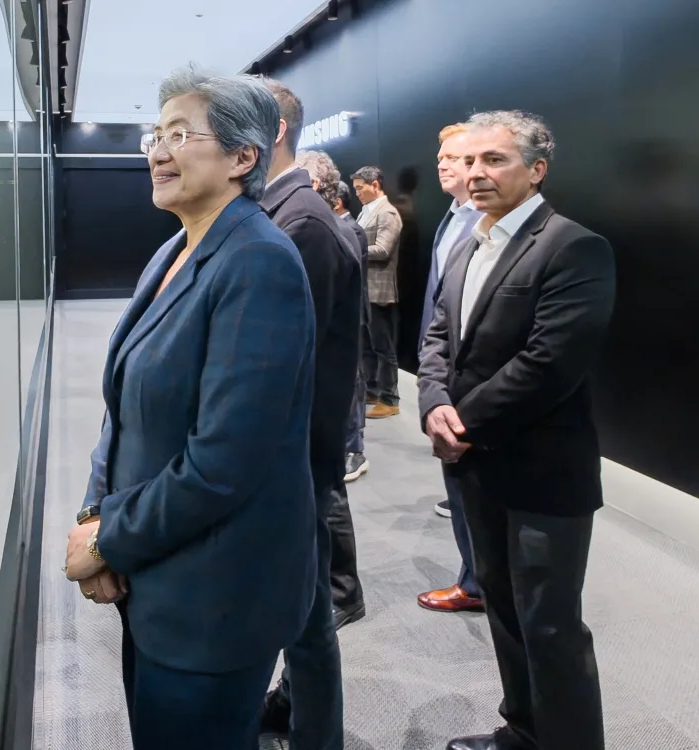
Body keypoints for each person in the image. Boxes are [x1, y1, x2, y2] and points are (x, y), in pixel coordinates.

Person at [63, 67, 318, 750]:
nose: (158, 152)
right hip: (157, 567)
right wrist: (94, 516)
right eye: (156, 135)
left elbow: (224, 461)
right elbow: (122, 413)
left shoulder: (259, 262)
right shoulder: (174, 250)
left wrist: (109, 540)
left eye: (180, 135)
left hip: (215, 593)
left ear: (242, 158)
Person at [418, 110, 613, 750]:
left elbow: (550, 363)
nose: (475, 172)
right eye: (469, 160)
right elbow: (439, 337)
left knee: (550, 626)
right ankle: (525, 731)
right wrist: (433, 402)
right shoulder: (469, 242)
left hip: (542, 474)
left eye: (494, 159)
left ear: (537, 170)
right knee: (503, 610)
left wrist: (462, 421)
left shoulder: (574, 246)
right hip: (477, 468)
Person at [259, 80, 361, 749]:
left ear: (270, 131)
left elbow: (291, 363)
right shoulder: (278, 211)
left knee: (308, 613)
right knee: (302, 607)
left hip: (293, 456)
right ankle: (297, 712)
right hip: (288, 455)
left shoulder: (301, 221)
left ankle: (313, 731)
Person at [295, 150, 367, 631]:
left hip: (328, 383)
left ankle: (344, 592)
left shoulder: (331, 231)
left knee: (329, 491)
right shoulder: (326, 227)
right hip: (324, 381)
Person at [415, 123, 485, 614]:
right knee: (460, 486)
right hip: (444, 371)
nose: (442, 164)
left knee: (473, 487)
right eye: (440, 157)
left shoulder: (486, 223)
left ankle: (479, 584)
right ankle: (476, 579)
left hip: (471, 378)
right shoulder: (453, 216)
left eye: (453, 157)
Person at [351, 166, 403, 419]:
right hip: (365, 289)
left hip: (379, 290)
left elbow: (383, 249)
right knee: (367, 346)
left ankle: (390, 399)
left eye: (360, 188)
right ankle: (372, 390)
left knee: (383, 347)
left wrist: (351, 245)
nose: (357, 193)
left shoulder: (388, 213)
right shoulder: (366, 211)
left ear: (375, 185)